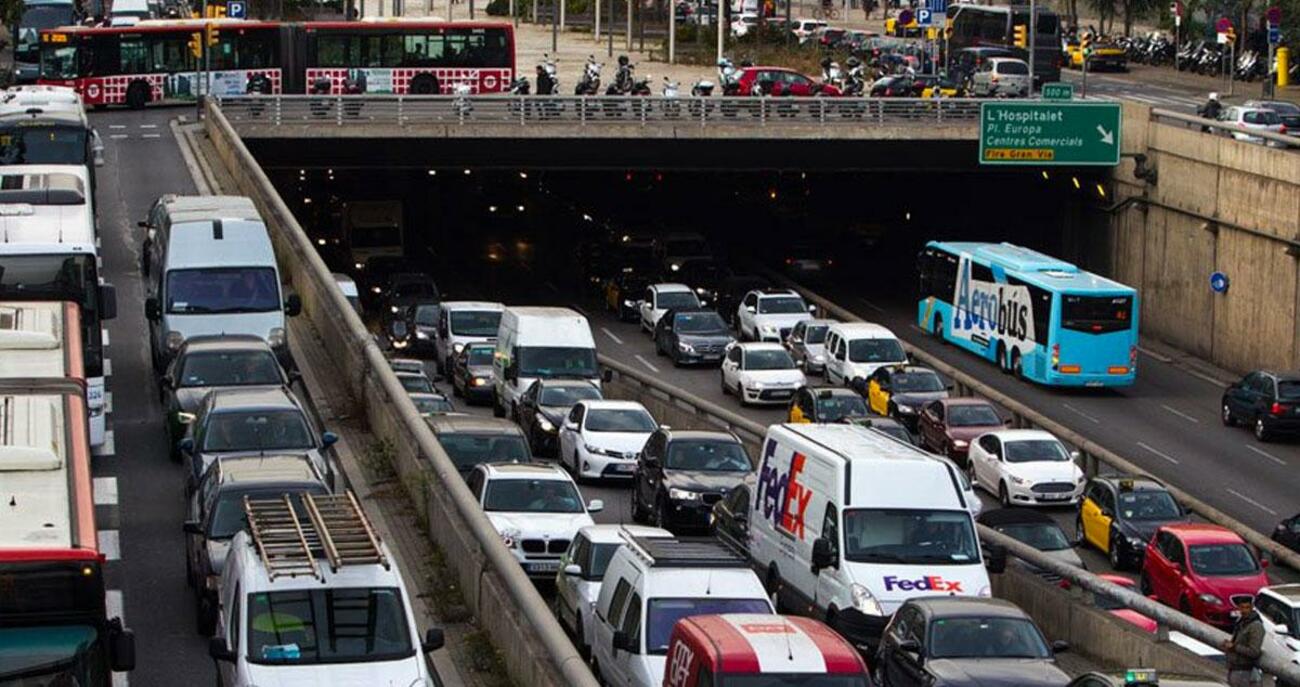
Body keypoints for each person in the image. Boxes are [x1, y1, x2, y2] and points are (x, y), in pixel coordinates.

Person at [1222, 595, 1265, 687]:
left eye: (1247, 608)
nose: (1244, 611)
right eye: (1242, 607)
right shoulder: (1241, 622)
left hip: (1245, 671)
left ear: (1252, 607)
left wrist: (1234, 647)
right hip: (1236, 669)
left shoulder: (1256, 626)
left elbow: (1254, 652)